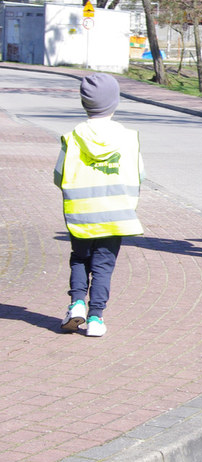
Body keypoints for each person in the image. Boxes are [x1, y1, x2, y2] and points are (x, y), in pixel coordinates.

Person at [54, 73, 144, 337]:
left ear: (85, 103)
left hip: (80, 213)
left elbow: (59, 176)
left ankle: (77, 304)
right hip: (116, 214)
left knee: (80, 258)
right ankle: (96, 318)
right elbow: (141, 174)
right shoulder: (128, 138)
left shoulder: (72, 138)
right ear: (114, 102)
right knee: (104, 265)